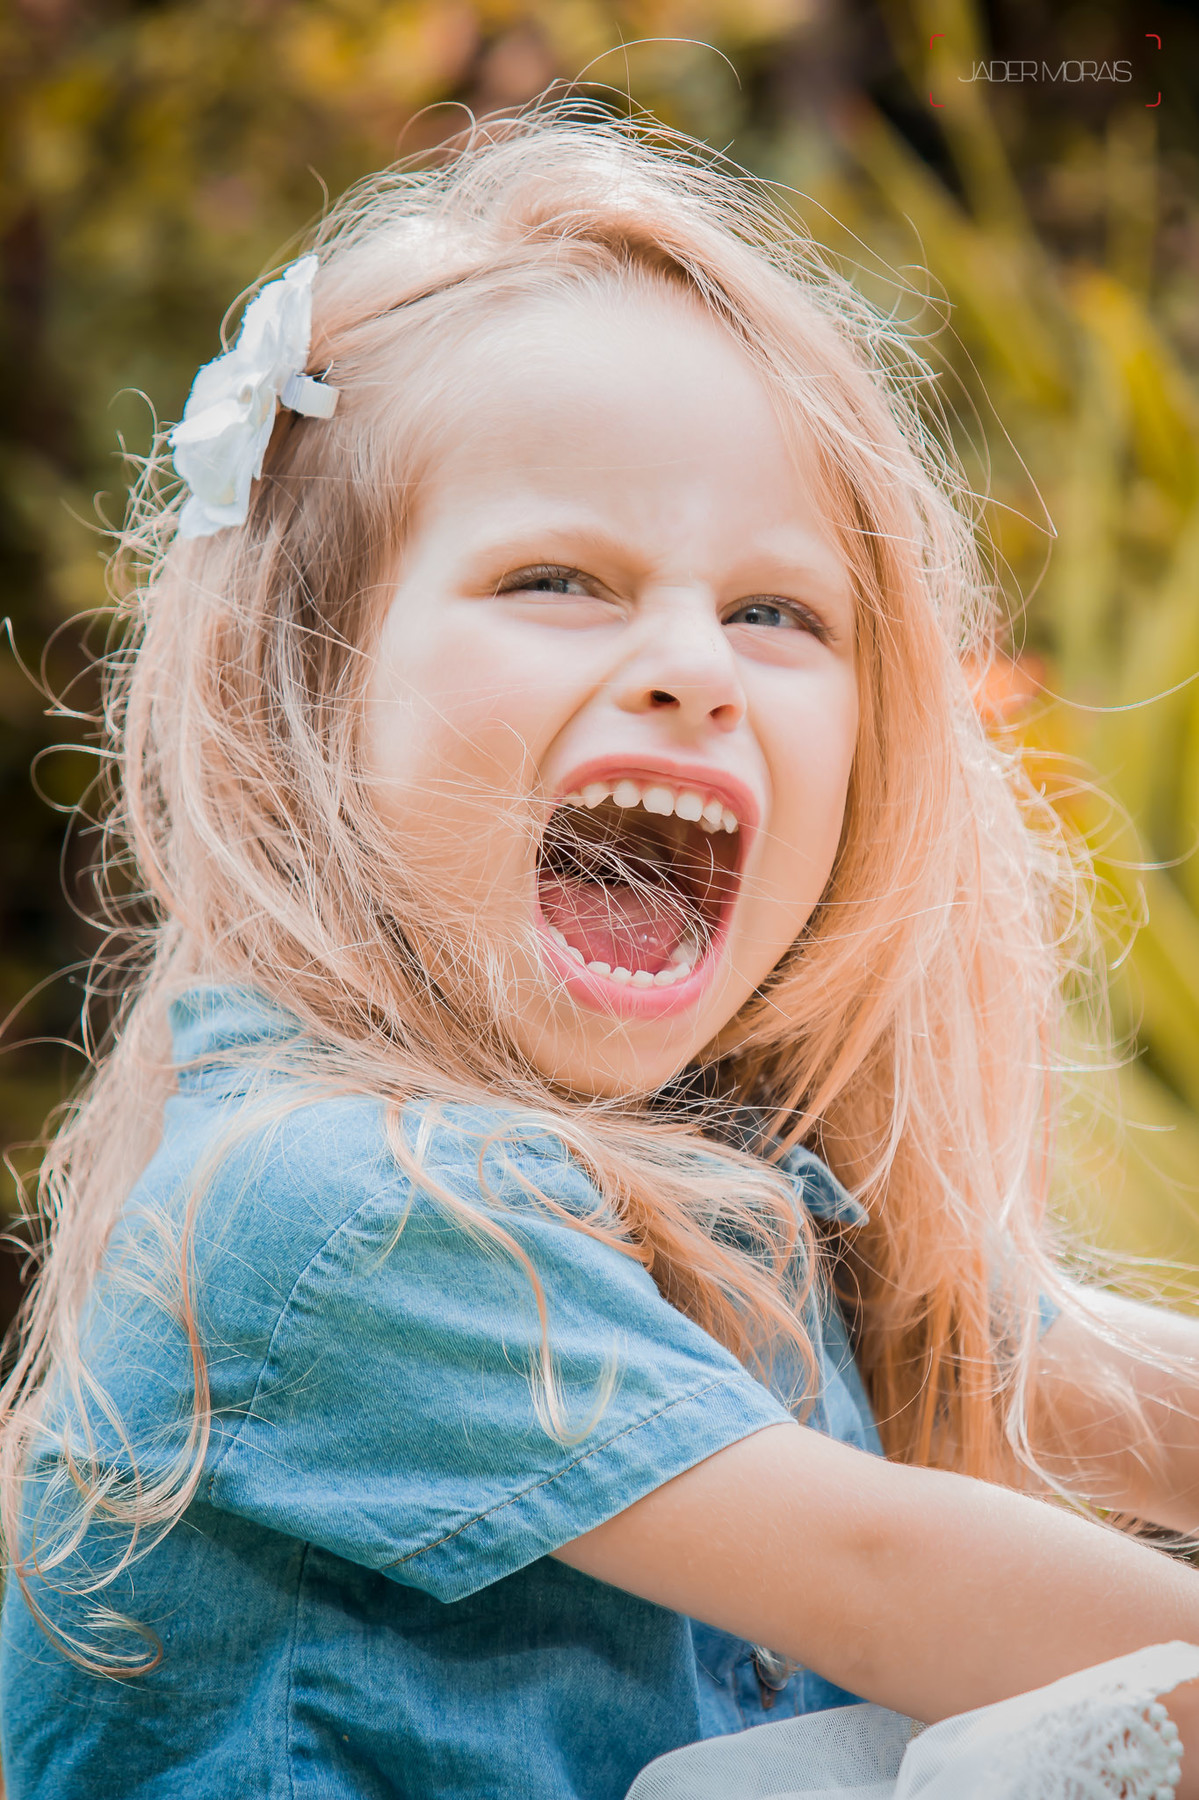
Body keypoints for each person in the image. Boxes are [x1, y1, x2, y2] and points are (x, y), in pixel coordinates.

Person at [2, 105, 1199, 1800]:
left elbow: (1047, 1381)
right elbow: (882, 1572)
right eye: (561, 579)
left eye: (779, 612)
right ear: (305, 685)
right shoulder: (336, 1209)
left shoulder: (729, 1159)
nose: (696, 664)